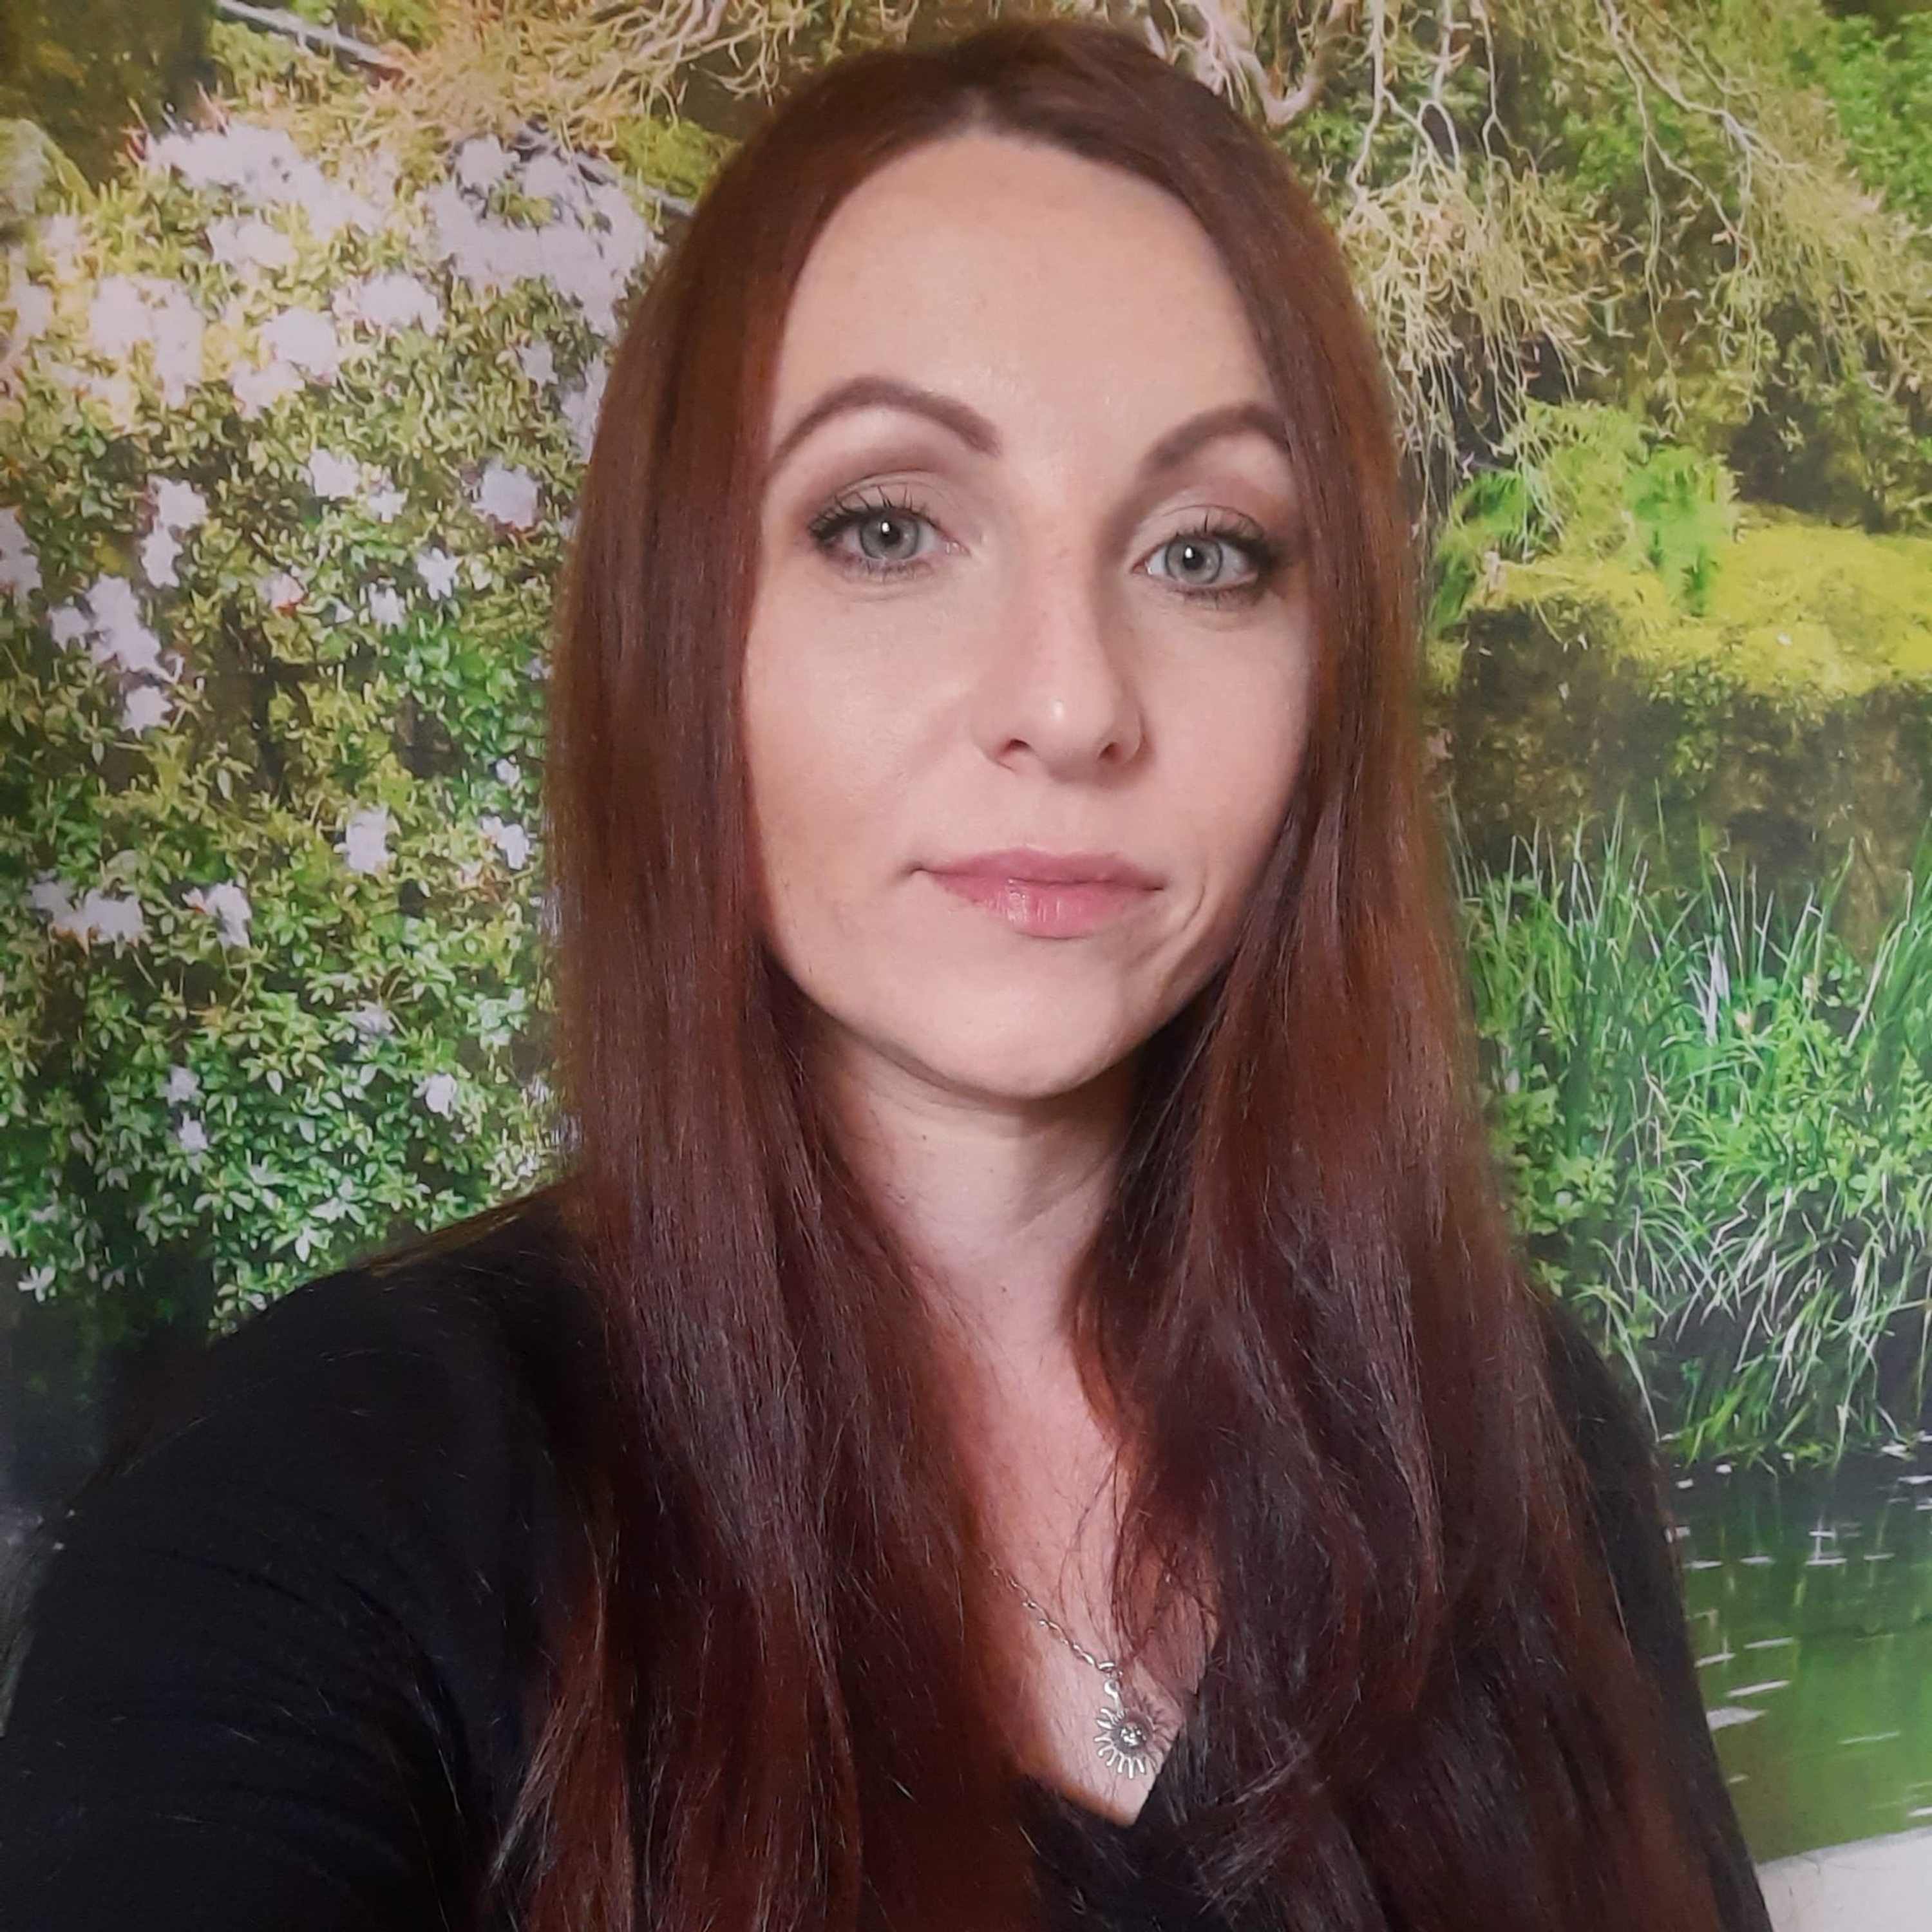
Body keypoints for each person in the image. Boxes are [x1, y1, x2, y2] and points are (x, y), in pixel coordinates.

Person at [0, 17, 1773, 1932]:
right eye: (889, 527)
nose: (1072, 705)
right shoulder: (316, 1509)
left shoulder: (1512, 1430)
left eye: (1205, 554)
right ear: (683, 631)